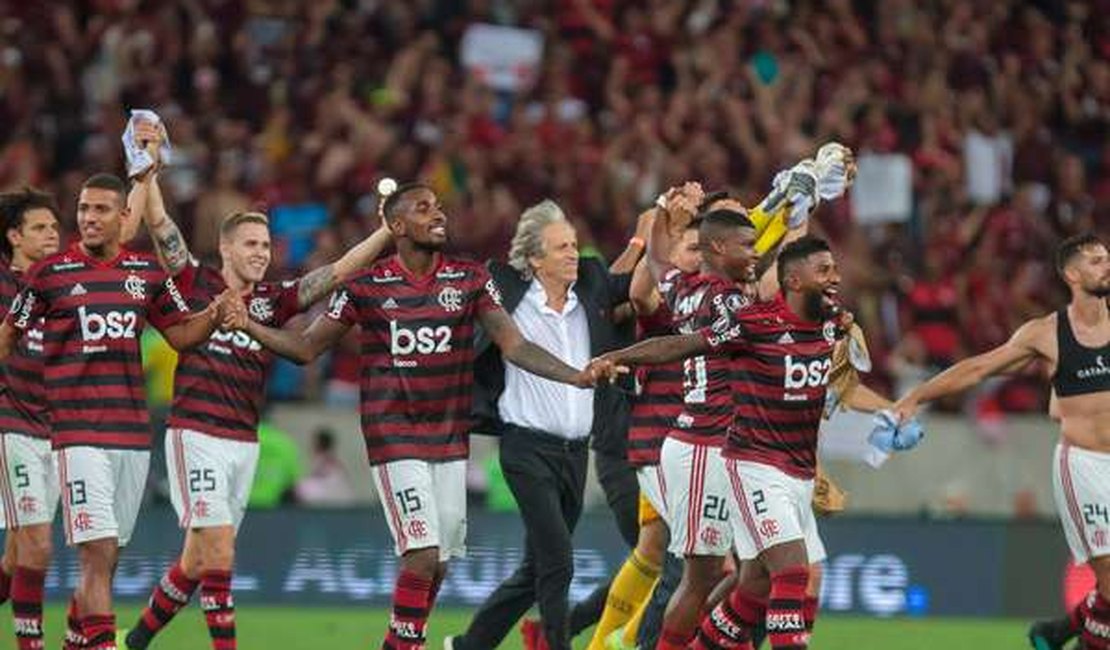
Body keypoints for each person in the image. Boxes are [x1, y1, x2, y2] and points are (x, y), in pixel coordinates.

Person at [230, 184, 598, 650]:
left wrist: (576, 375)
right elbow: (306, 347)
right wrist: (249, 326)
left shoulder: (469, 280)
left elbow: (516, 345)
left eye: (439, 206)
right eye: (423, 209)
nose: (437, 213)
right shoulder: (366, 286)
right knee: (422, 556)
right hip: (395, 438)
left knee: (438, 565)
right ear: (397, 227)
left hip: (449, 440)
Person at [120, 120, 393, 650]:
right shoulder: (193, 280)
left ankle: (135, 641)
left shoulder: (270, 301)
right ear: (225, 248)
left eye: (266, 244)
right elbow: (158, 222)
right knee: (219, 553)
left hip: (244, 440)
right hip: (195, 433)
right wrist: (147, 164)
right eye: (250, 243)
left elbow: (334, 274)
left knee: (198, 560)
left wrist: (387, 232)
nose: (261, 252)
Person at [598, 236, 921, 649]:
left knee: (753, 584)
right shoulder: (753, 323)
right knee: (791, 572)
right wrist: (620, 357)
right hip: (752, 466)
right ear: (794, 280)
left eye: (834, 269)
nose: (835, 278)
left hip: (797, 472)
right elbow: (685, 344)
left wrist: (890, 410)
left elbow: (840, 386)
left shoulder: (832, 325)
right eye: (824, 271)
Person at [0, 173, 234, 650]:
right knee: (92, 552)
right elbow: (8, 337)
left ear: (124, 218)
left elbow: (182, 337)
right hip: (74, 433)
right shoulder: (50, 276)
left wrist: (215, 314)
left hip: (131, 435)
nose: (88, 218)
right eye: (83, 209)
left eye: (100, 210)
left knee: (109, 558)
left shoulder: (147, 275)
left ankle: (75, 643)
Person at [888, 233, 1110, 650]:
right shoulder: (1047, 334)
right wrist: (915, 397)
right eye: (1097, 260)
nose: (1108, 265)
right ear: (1072, 274)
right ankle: (1066, 631)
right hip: (1085, 467)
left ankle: (1061, 630)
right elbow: (978, 369)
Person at [447, 199, 633, 650]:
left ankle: (470, 645)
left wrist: (651, 228)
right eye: (560, 247)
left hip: (575, 452)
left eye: (574, 245)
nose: (573, 253)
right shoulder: (507, 295)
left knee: (537, 569)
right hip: (525, 448)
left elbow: (630, 280)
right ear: (534, 258)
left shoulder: (588, 291)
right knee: (559, 562)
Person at [0, 188, 60, 650]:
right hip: (11, 423)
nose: (51, 235)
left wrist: (143, 179)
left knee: (17, 556)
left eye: (55, 227)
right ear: (14, 236)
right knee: (38, 546)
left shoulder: (61, 284)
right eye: (40, 228)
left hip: (57, 431)